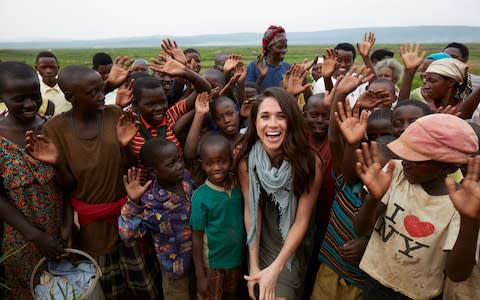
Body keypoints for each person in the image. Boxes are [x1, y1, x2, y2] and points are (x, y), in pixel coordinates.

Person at [42, 64, 159, 299]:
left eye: (101, 89)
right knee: (108, 285)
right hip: (91, 224)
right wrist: (56, 163)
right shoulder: (55, 129)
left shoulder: (114, 115)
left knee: (143, 284)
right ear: (70, 97)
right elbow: (66, 185)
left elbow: (127, 166)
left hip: (127, 215)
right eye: (93, 92)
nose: (102, 95)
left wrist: (126, 147)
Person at [354, 113, 479, 299]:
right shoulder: (393, 172)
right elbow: (361, 229)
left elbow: (457, 274)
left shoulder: (461, 203)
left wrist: (471, 221)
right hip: (375, 280)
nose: (405, 162)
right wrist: (372, 198)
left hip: (418, 294)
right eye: (405, 153)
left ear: (449, 167)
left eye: (417, 159)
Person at [236, 87, 323, 299]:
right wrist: (255, 265)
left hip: (291, 246)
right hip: (260, 241)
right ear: (255, 122)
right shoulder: (247, 161)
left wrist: (276, 269)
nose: (272, 124)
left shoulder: (309, 163)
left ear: (292, 121)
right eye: (264, 117)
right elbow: (251, 210)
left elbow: (302, 221)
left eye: (281, 116)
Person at [0, 61, 70, 299]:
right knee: (31, 290)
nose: (30, 104)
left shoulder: (52, 128)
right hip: (21, 239)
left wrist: (69, 224)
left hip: (62, 232)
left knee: (66, 288)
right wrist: (36, 236)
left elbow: (68, 184)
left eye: (34, 96)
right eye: (19, 99)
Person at [119, 138, 196, 300]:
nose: (179, 165)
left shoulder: (187, 178)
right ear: (153, 171)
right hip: (175, 270)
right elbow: (127, 235)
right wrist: (133, 203)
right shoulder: (150, 202)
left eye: (179, 160)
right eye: (171, 164)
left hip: (199, 261)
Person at [191, 134, 244, 300]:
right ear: (202, 164)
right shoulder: (200, 196)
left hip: (236, 260)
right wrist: (200, 276)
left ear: (231, 160)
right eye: (210, 163)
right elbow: (197, 237)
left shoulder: (240, 185)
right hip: (212, 264)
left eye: (222, 161)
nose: (217, 167)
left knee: (231, 295)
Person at [246, 25, 290, 92]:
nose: (284, 51)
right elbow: (248, 94)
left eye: (285, 47)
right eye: (280, 47)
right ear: (268, 47)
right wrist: (261, 77)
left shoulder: (287, 67)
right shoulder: (254, 66)